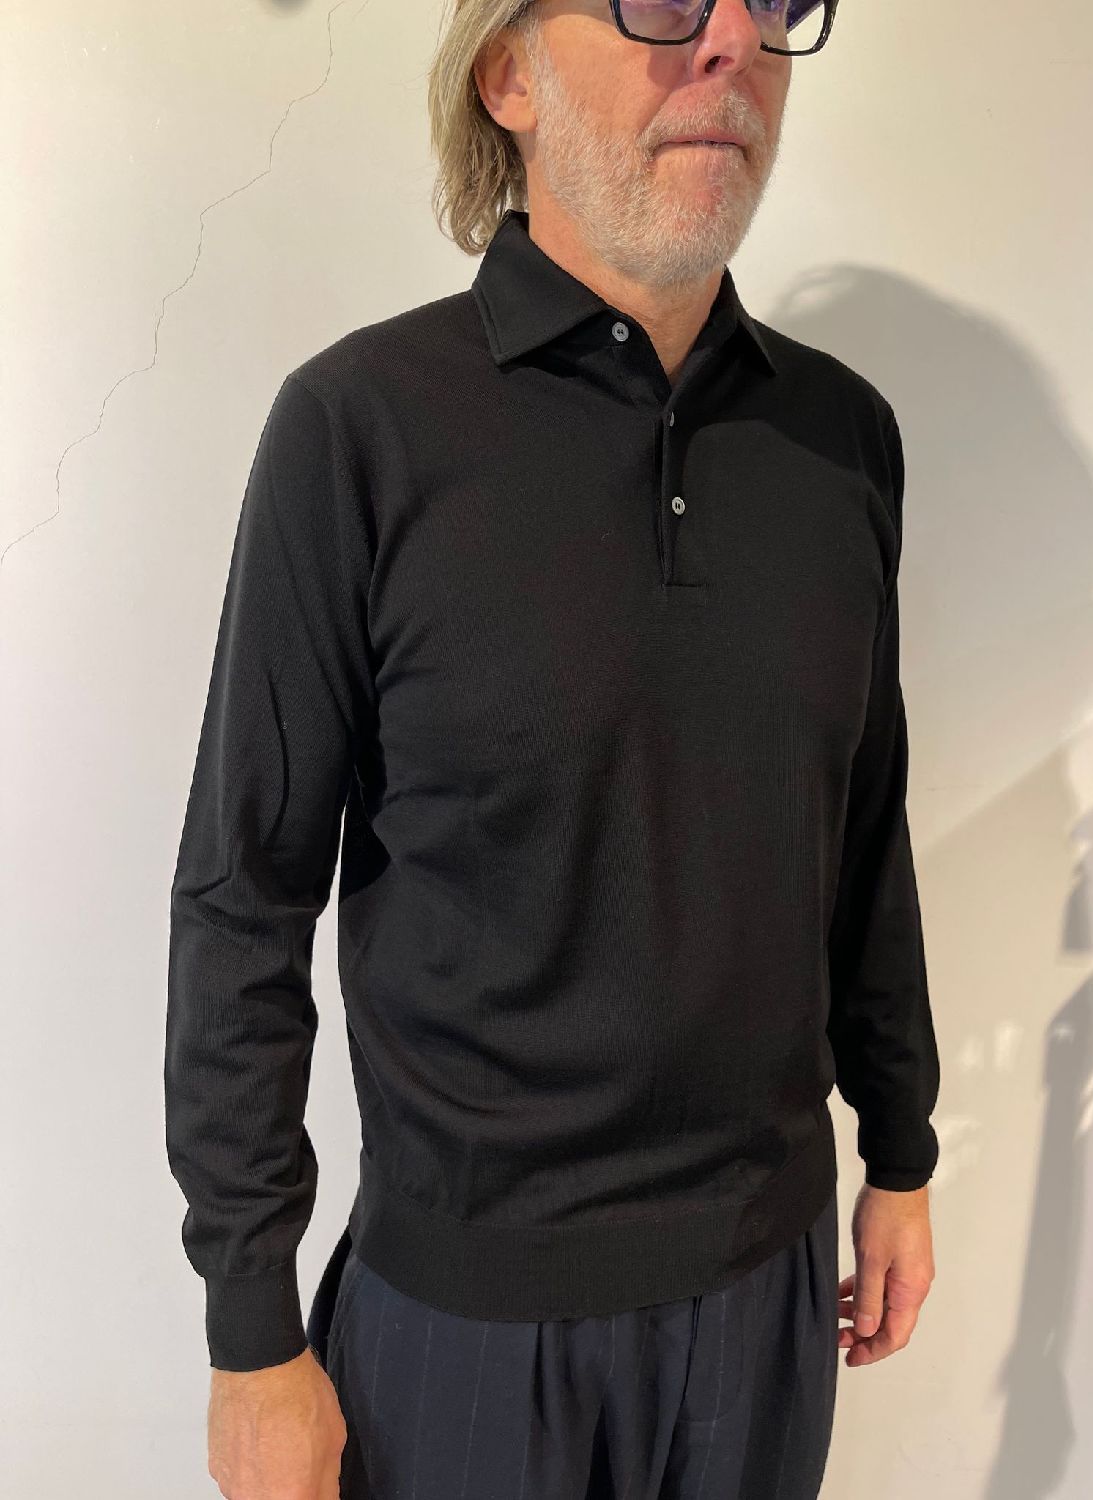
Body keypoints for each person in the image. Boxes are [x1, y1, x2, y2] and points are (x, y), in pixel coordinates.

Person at [165, 1, 941, 1496]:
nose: (730, 42)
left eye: (769, 0)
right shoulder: (359, 427)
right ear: (506, 74)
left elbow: (860, 821)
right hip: (466, 1321)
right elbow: (243, 895)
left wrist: (899, 1149)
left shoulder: (843, 436)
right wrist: (251, 1329)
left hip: (767, 1293)